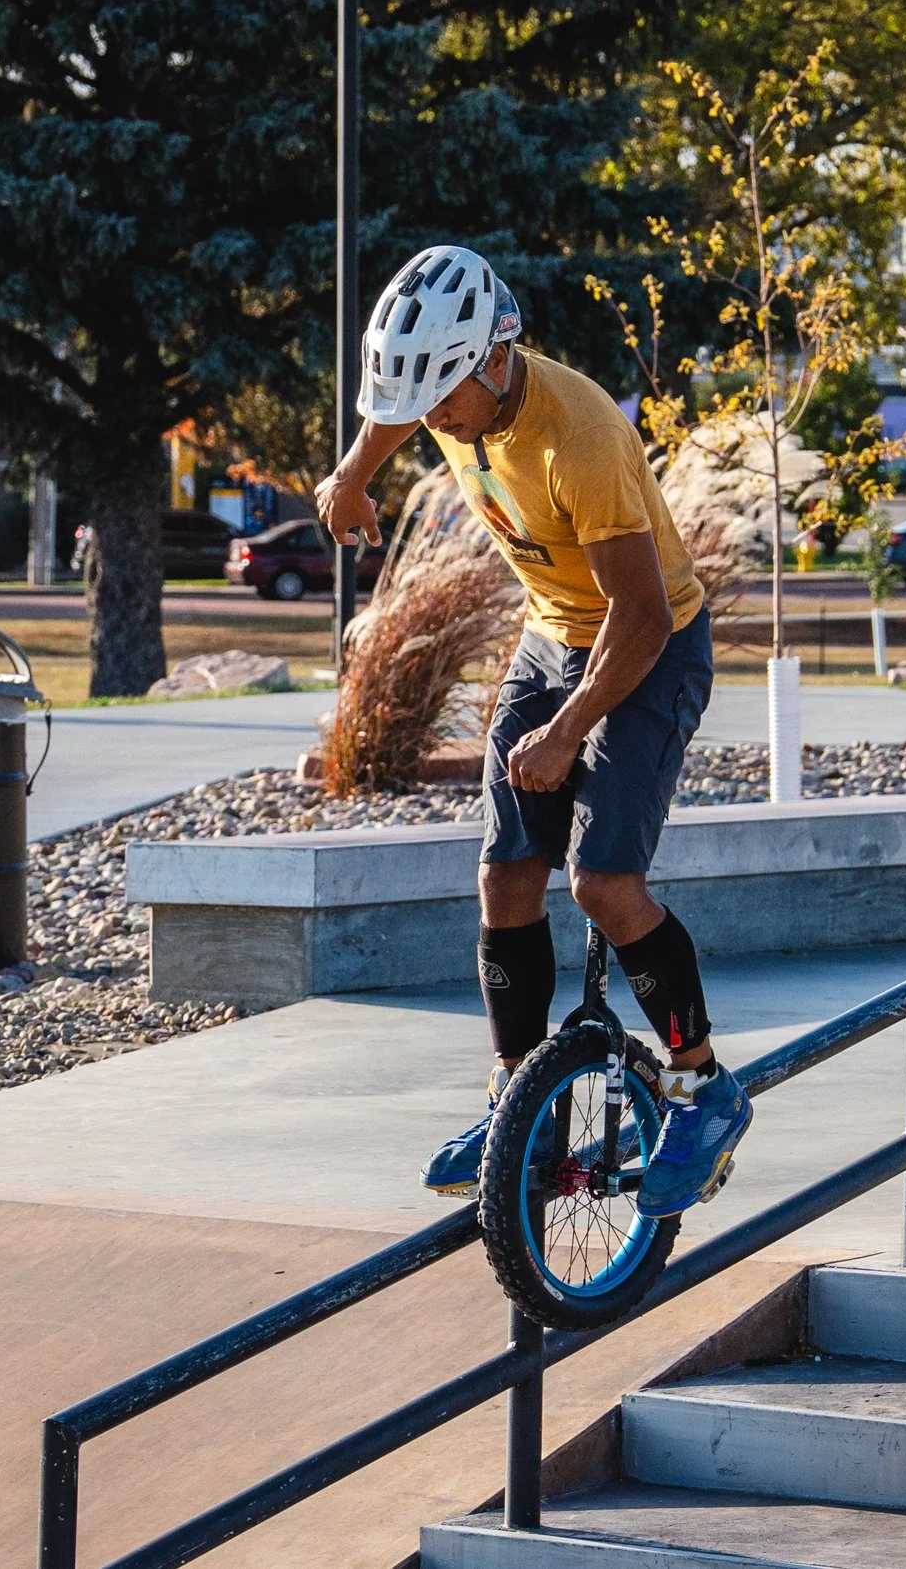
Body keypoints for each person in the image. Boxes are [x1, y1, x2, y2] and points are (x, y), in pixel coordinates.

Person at [315, 244, 751, 1219]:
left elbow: (638, 619)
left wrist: (564, 733)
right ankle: (517, 1089)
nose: (430, 423)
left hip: (648, 648)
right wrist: (351, 477)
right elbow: (392, 407)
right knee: (506, 872)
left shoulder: (579, 438)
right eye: (415, 402)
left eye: (443, 402)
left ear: (494, 358)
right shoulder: (445, 390)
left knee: (603, 884)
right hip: (553, 638)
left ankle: (703, 1088)